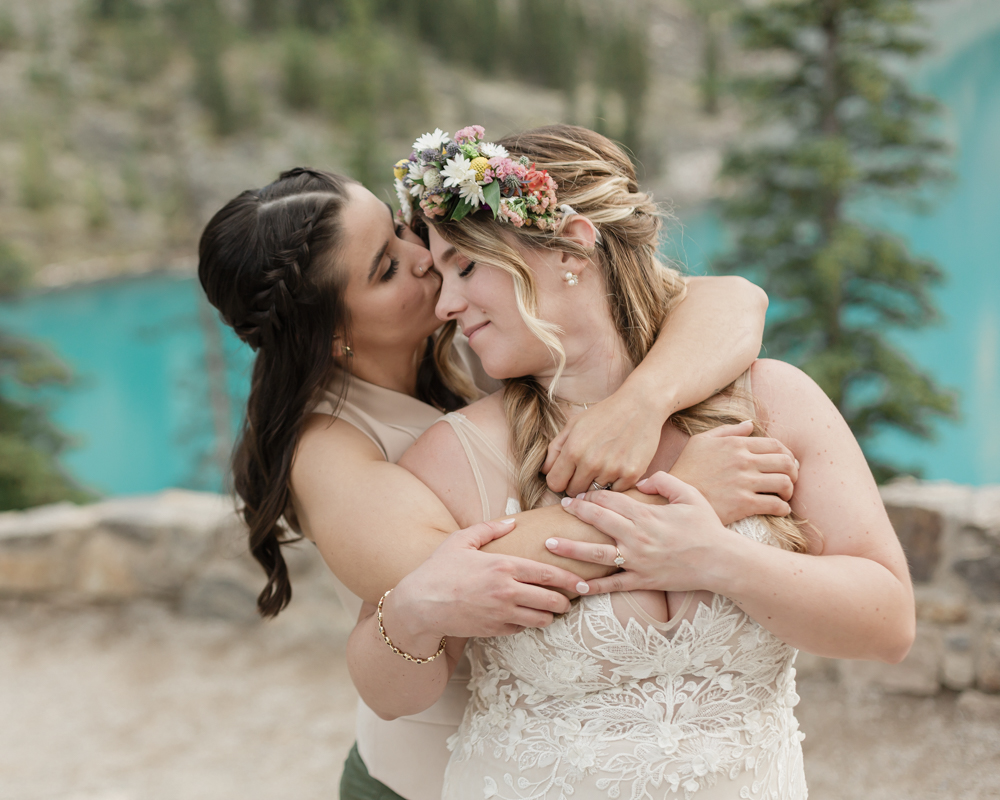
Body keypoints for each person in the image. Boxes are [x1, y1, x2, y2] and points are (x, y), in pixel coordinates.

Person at [347, 125, 915, 799]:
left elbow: (889, 625)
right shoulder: (457, 453)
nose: (445, 305)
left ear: (572, 248)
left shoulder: (774, 402)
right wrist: (413, 612)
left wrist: (718, 559)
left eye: (465, 267)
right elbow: (390, 694)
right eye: (438, 275)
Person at [198, 167, 796, 800]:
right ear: (333, 333)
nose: (422, 256)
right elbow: (457, 574)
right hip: (423, 783)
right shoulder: (327, 449)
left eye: (401, 230)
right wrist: (674, 490)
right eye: (386, 269)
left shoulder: (467, 344)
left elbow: (732, 299)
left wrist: (643, 402)